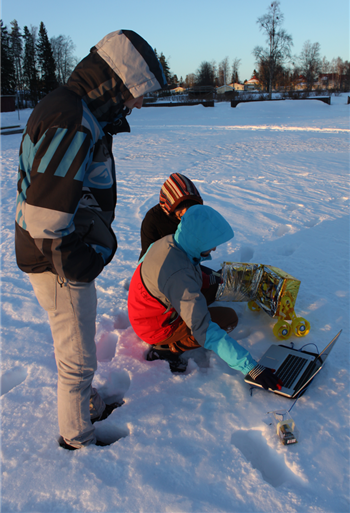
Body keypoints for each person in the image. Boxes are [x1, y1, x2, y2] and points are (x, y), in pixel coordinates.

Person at [15, 30, 167, 450]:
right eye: (138, 92)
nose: (138, 103)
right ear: (117, 80)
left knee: (74, 344)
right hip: (57, 260)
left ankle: (84, 403)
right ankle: (76, 436)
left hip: (60, 253)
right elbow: (46, 219)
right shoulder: (72, 120)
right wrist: (77, 261)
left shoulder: (77, 110)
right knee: (78, 356)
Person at [128, 204, 281, 392]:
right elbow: (204, 329)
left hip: (147, 308)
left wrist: (212, 279)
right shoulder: (179, 276)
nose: (215, 248)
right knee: (227, 319)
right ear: (198, 241)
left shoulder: (171, 242)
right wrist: (251, 367)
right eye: (211, 243)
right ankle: (168, 348)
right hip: (156, 326)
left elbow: (188, 269)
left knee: (212, 287)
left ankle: (174, 334)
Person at [139, 172, 221, 304]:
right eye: (180, 210)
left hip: (187, 267)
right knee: (197, 295)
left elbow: (196, 253)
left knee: (217, 280)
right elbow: (147, 258)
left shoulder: (195, 216)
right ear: (170, 206)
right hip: (161, 274)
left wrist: (205, 249)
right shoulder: (153, 220)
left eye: (189, 209)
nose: (184, 215)